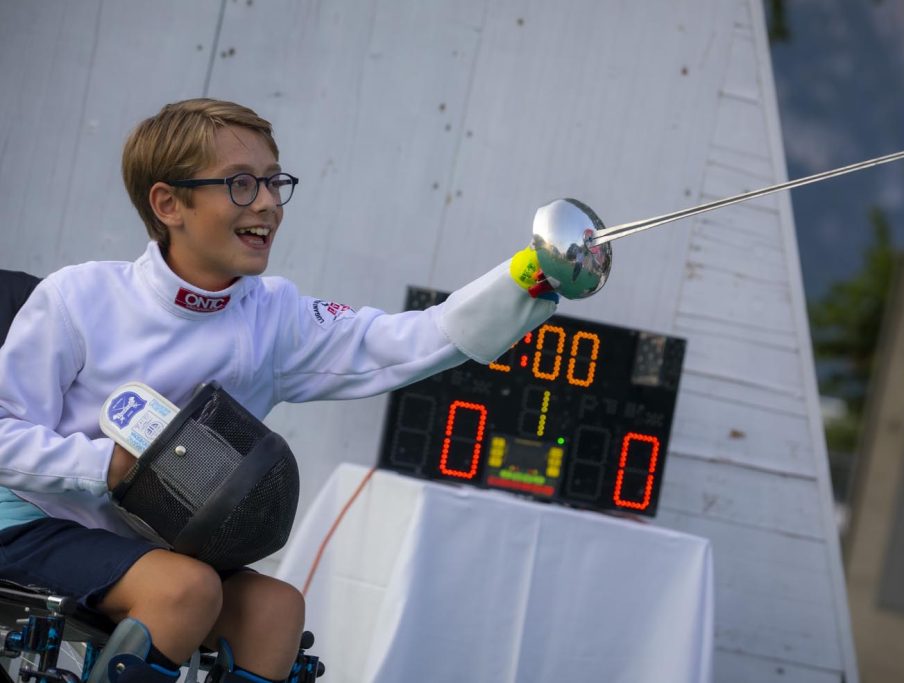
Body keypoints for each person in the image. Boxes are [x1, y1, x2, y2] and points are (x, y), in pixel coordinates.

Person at [0, 99, 559, 683]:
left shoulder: (275, 316)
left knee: (276, 609)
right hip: (34, 526)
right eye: (241, 185)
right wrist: (106, 466)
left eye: (273, 182)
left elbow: (404, 342)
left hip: (155, 548)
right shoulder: (79, 296)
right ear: (169, 204)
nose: (267, 202)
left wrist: (530, 277)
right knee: (186, 590)